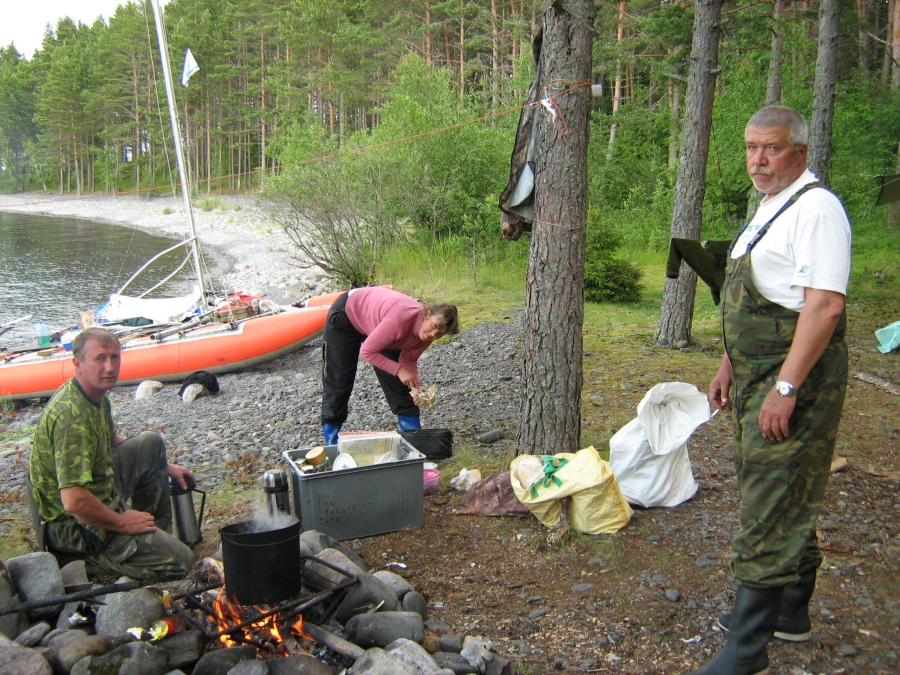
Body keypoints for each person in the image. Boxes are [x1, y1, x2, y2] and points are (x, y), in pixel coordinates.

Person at [695, 105, 851, 675]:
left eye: (772, 148)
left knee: (769, 498)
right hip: (756, 373)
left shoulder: (818, 210)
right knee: (783, 490)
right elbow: (761, 298)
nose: (758, 161)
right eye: (750, 148)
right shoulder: (769, 208)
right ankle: (789, 612)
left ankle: (747, 650)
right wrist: (729, 364)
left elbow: (824, 305)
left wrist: (785, 387)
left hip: (796, 381)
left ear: (800, 152)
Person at [30, 327, 196, 581]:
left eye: (114, 357)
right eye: (100, 358)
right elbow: (73, 501)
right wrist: (121, 523)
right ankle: (84, 561)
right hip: (72, 526)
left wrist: (164, 466)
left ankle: (151, 536)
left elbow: (112, 441)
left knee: (150, 443)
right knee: (182, 564)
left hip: (98, 492)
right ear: (78, 364)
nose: (109, 367)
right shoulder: (71, 416)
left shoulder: (96, 395)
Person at [321, 287, 459, 444]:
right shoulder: (398, 321)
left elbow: (408, 359)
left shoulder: (427, 335)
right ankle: (331, 442)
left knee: (399, 384)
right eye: (434, 326)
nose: (434, 334)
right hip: (347, 316)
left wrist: (415, 387)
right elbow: (367, 352)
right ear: (427, 314)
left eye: (440, 333)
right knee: (339, 380)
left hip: (379, 324)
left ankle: (413, 439)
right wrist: (399, 370)